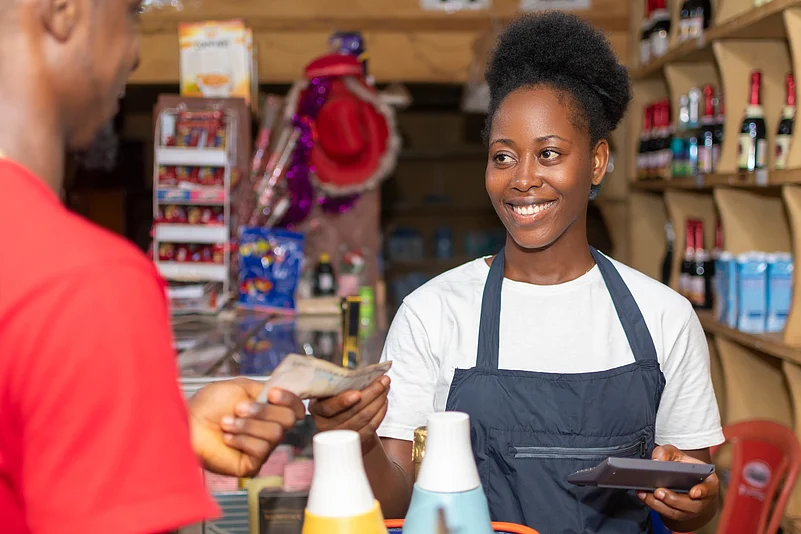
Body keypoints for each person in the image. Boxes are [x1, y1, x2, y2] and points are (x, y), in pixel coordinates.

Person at [311, 12, 724, 533]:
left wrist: (697, 501)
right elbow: (397, 502)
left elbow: (695, 499)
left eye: (548, 154)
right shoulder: (433, 313)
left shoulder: (664, 316)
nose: (523, 179)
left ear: (597, 162)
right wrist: (358, 440)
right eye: (503, 157)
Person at [0, 0, 304, 532]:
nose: (136, 52)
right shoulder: (86, 282)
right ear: (62, 11)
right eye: (132, 11)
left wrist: (151, 436)